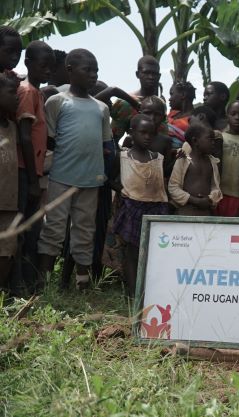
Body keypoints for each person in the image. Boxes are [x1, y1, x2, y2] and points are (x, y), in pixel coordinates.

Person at [37, 49, 113, 291]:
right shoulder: (57, 102)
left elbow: (106, 145)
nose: (93, 75)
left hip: (90, 180)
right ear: (70, 70)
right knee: (54, 228)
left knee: (85, 230)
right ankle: (45, 283)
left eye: (96, 71)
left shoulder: (101, 108)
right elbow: (49, 140)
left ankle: (82, 283)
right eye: (87, 70)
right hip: (61, 177)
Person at [111, 114, 169, 297]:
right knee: (132, 253)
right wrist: (123, 191)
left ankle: (150, 292)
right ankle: (133, 294)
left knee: (154, 251)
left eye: (151, 133)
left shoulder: (158, 158)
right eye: (143, 132)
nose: (147, 137)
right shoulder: (122, 158)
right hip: (132, 208)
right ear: (131, 132)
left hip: (156, 209)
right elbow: (109, 179)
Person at [15, 40, 55, 293]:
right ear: (28, 63)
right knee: (22, 230)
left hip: (32, 171)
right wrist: (32, 180)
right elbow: (25, 137)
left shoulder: (38, 93)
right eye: (43, 65)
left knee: (31, 231)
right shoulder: (28, 92)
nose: (48, 70)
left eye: (51, 66)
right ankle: (17, 284)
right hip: (23, 171)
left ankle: (27, 283)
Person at [168, 123, 222, 216]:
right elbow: (173, 187)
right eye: (210, 139)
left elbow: (216, 187)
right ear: (195, 141)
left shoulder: (213, 162)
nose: (213, 143)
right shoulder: (183, 160)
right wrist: (195, 200)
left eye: (214, 140)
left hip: (205, 213)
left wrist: (210, 199)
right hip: (185, 212)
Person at [110, 55, 162, 141]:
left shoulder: (161, 104)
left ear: (159, 76)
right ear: (137, 74)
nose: (151, 77)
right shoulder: (125, 103)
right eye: (146, 73)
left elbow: (163, 135)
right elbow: (113, 138)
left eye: (154, 74)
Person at [215, 100, 239, 216]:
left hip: (238, 195)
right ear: (227, 115)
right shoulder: (220, 137)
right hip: (218, 193)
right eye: (233, 114)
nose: (237, 118)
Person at [0, 73, 19, 294]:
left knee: (7, 250)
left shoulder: (12, 128)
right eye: (12, 92)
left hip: (9, 200)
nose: (17, 97)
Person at [167, 80, 195, 146]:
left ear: (183, 95)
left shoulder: (194, 119)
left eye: (171, 94)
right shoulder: (172, 114)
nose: (169, 99)